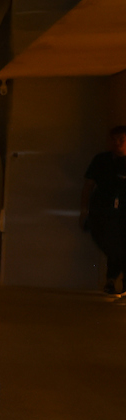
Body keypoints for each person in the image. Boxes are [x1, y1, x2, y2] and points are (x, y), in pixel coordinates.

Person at [80, 125, 126, 294]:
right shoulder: (102, 161)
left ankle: (112, 280)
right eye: (114, 140)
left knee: (121, 246)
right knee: (112, 245)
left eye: (121, 140)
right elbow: (88, 186)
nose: (117, 144)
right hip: (103, 212)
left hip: (123, 212)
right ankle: (112, 279)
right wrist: (84, 211)